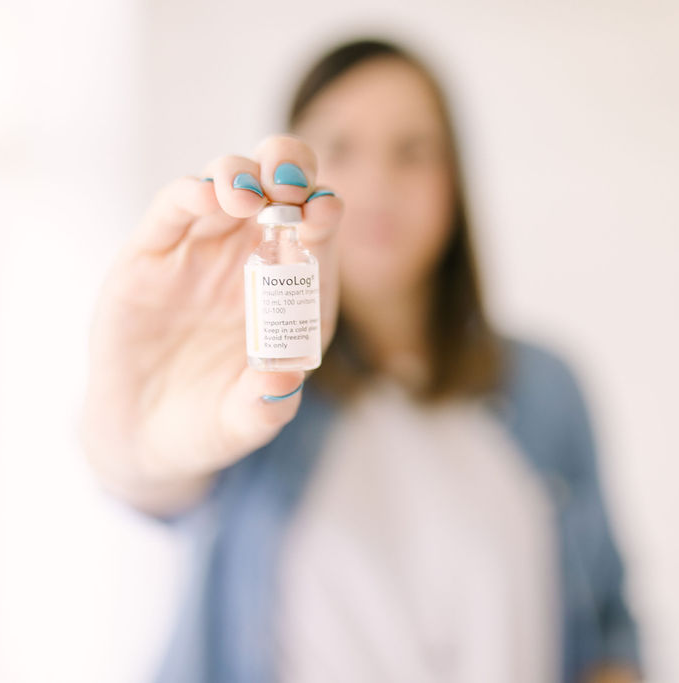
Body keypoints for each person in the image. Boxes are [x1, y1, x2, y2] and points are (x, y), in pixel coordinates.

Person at [79, 37, 644, 683]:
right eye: (341, 149)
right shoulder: (251, 379)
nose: (378, 183)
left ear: (455, 179)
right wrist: (131, 436)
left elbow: (608, 624)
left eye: (413, 151)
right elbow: (150, 479)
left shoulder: (547, 387)